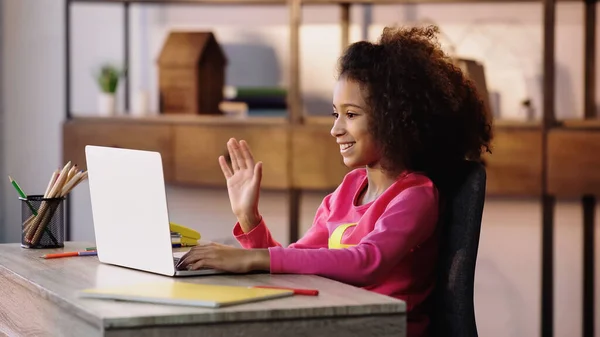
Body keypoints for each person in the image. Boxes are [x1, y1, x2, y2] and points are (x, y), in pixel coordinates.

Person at [177, 25, 492, 336]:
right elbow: (297, 262)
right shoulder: (346, 191)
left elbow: (367, 261)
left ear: (398, 119)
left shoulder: (415, 195)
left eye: (351, 115)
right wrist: (249, 219)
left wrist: (250, 259)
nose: (336, 129)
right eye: (334, 114)